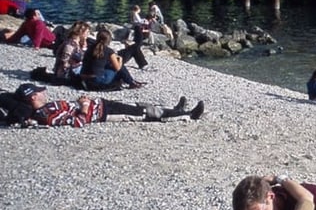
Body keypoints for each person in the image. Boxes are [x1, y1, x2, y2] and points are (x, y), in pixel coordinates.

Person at [1, 83, 204, 128]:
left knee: (139, 105)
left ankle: (177, 110)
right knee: (143, 114)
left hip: (102, 105)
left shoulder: (46, 108)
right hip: (101, 113)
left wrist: (83, 101)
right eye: (40, 91)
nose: (45, 92)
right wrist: (84, 105)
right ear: (33, 97)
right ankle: (187, 116)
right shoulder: (45, 115)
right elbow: (78, 122)